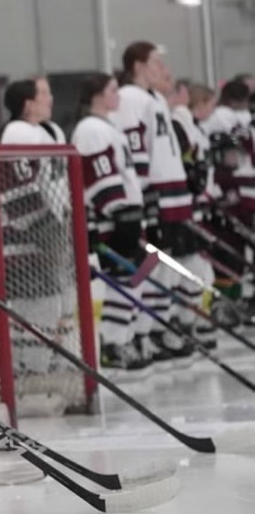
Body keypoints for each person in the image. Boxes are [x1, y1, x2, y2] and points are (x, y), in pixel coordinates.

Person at [109, 41, 194, 368]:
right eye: (155, 62)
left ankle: (156, 330)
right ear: (138, 65)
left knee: (168, 269)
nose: (161, 68)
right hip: (155, 193)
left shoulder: (155, 98)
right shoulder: (130, 97)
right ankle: (134, 335)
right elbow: (135, 147)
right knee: (148, 267)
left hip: (175, 196)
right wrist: (146, 194)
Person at [0, 77, 75, 393]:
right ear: (27, 103)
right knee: (33, 304)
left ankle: (44, 364)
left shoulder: (50, 131)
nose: (50, 98)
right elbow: (18, 189)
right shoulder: (16, 132)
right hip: (24, 237)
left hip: (53, 232)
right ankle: (27, 370)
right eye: (43, 94)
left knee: (56, 302)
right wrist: (48, 231)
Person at [70, 73, 148, 377]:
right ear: (99, 96)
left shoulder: (107, 126)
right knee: (126, 279)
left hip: (128, 217)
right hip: (113, 221)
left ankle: (123, 339)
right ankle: (114, 344)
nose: (119, 95)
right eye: (114, 90)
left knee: (140, 274)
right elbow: (97, 177)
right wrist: (117, 212)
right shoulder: (91, 129)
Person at [165, 81, 219, 352]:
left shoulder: (188, 126)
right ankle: (174, 326)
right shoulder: (176, 123)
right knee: (173, 272)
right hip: (169, 211)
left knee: (199, 273)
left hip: (187, 208)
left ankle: (188, 324)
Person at [200, 79, 255, 327]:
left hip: (235, 194)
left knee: (231, 252)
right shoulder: (226, 118)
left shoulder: (224, 118)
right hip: (236, 195)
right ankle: (229, 303)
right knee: (229, 252)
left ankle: (232, 303)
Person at [0, 77, 66, 144]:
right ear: (28, 104)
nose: (50, 99)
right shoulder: (16, 130)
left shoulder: (51, 129)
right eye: (44, 94)